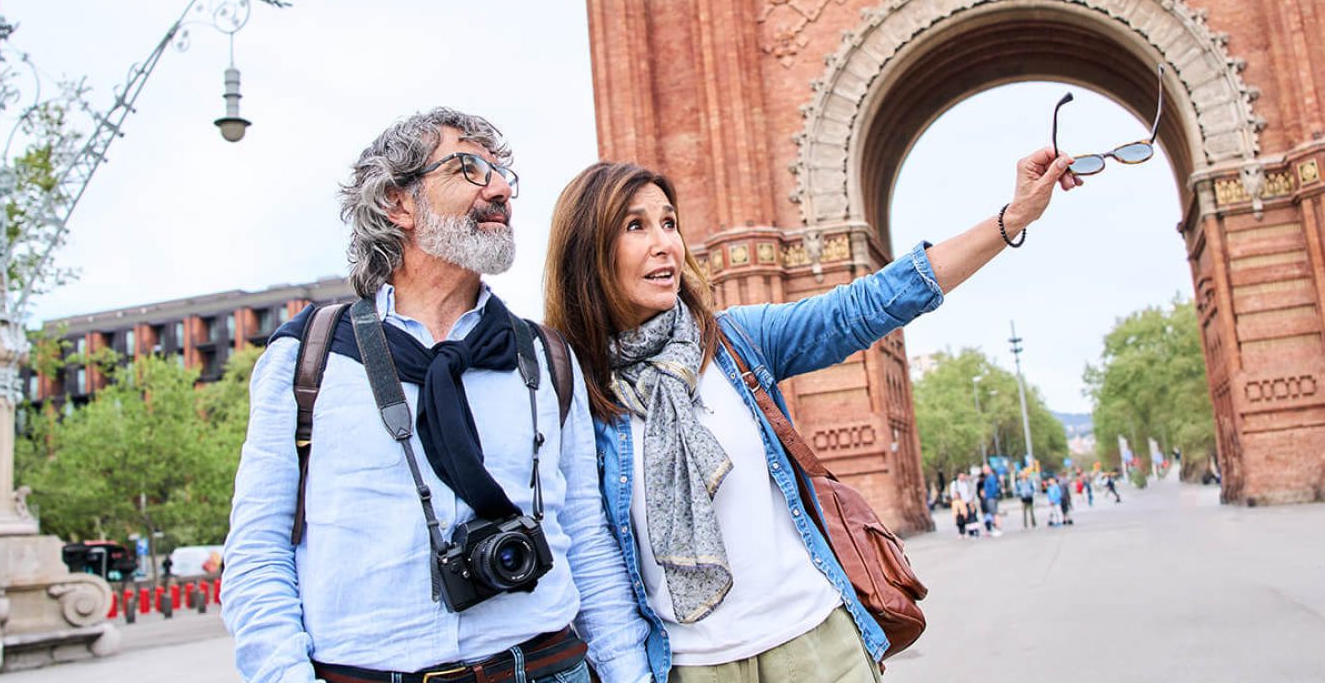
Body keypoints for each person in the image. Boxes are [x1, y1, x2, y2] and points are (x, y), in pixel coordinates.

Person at [543, 146, 1077, 682]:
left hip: (820, 646)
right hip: (692, 667)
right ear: (589, 251)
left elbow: (868, 305)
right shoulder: (575, 393)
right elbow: (593, 560)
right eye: (636, 226)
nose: (664, 244)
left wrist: (1012, 219)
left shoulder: (733, 344)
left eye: (670, 223)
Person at [222, 109, 651, 683]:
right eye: (468, 168)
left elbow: (589, 542)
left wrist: (629, 674)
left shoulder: (546, 358)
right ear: (398, 204)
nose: (498, 188)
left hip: (546, 667)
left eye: (502, 174)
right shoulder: (309, 359)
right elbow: (258, 552)